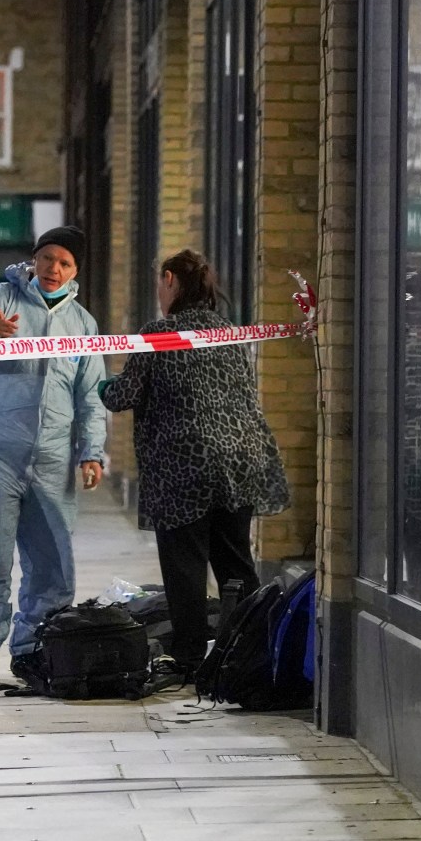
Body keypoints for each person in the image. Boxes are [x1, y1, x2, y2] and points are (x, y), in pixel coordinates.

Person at [99, 249, 290, 682]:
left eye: (158, 284)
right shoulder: (227, 332)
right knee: (235, 563)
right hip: (239, 462)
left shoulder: (159, 333)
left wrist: (102, 383)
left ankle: (188, 657)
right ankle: (250, 652)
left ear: (169, 280)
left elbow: (123, 395)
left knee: (185, 566)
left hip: (182, 468)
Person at [0, 226, 107, 682]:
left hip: (54, 457)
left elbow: (90, 396)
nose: (53, 269)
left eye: (65, 263)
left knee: (53, 559)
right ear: (34, 259)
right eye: (47, 258)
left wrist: (91, 452)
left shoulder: (83, 324)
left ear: (76, 272)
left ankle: (36, 645)